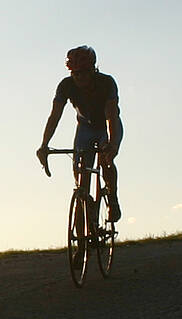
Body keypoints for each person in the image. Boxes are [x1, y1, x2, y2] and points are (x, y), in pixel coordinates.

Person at [38, 45, 124, 222]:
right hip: (85, 127)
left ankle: (112, 196)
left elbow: (111, 116)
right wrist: (44, 144)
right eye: (75, 73)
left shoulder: (106, 83)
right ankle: (85, 216)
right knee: (80, 178)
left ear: (93, 69)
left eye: (84, 72)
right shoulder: (66, 86)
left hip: (106, 125)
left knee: (106, 160)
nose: (79, 77)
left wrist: (112, 144)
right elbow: (54, 116)